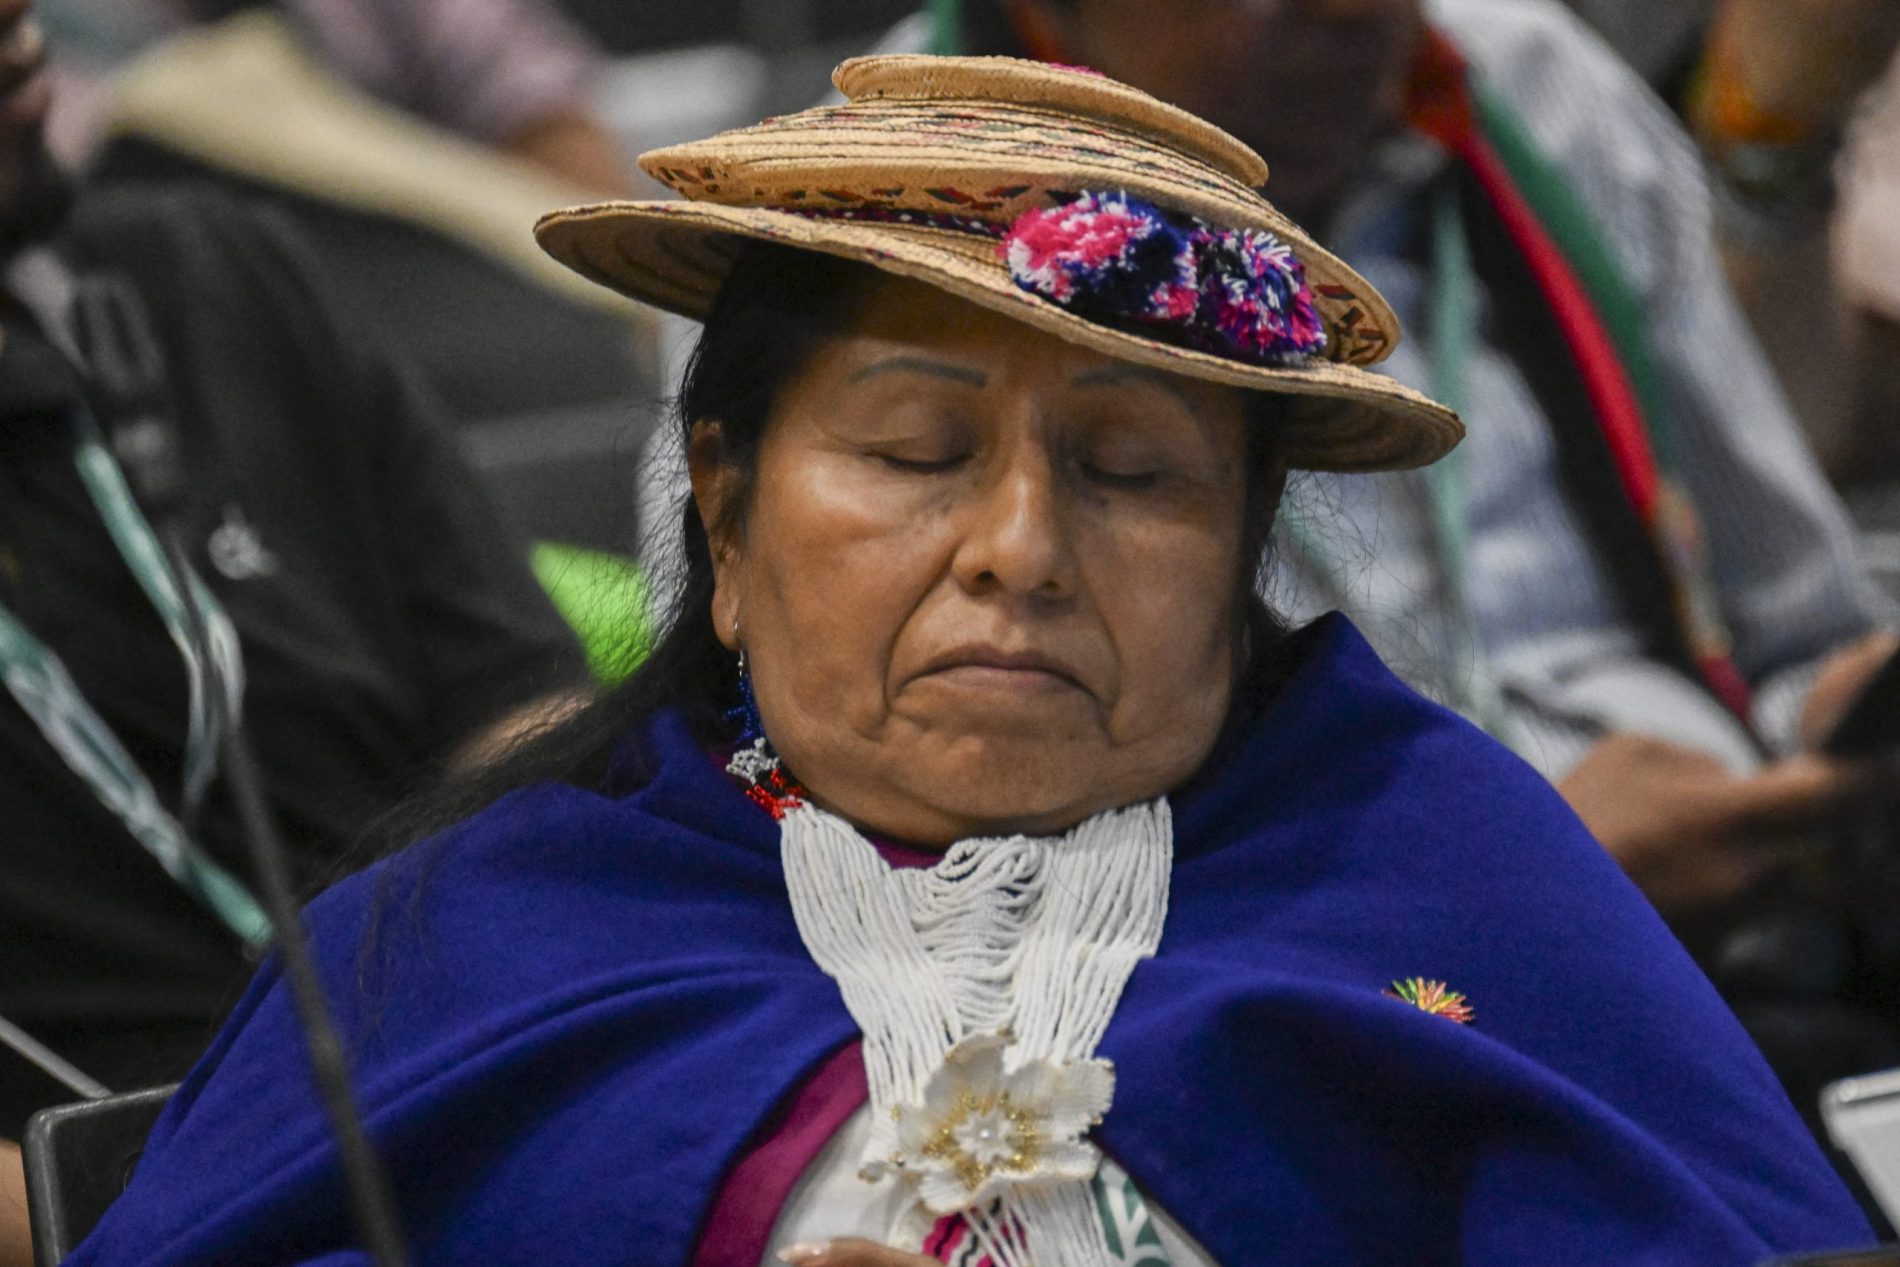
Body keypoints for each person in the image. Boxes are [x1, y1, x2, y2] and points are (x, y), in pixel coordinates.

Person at [60, 53, 1873, 1267]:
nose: (1018, 546)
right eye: (917, 454)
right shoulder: (463, 941)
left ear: (1244, 556)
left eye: (1134, 472)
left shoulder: (1449, 875)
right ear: (726, 513)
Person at [0, 0, 589, 1144]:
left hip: (469, 1066)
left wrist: (559, 984)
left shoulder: (215, 272)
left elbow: (521, 710)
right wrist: (192, 1198)